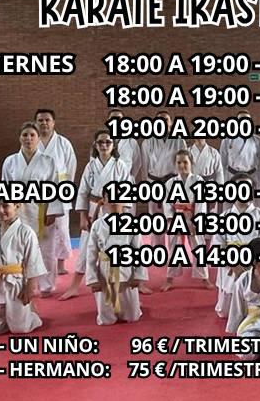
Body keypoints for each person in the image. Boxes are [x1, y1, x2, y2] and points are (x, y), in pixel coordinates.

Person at [60, 130, 131, 300]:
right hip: (94, 208)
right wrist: (83, 216)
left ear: (113, 145)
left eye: (108, 142)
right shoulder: (91, 166)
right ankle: (75, 285)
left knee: (119, 245)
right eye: (100, 142)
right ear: (95, 145)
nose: (104, 145)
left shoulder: (120, 165)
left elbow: (126, 191)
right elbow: (83, 192)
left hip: (114, 208)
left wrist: (123, 214)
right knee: (86, 246)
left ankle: (129, 286)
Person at [2, 122, 65, 297]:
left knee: (46, 249)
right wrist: (6, 211)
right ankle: (21, 282)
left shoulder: (48, 161)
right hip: (18, 210)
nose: (28, 138)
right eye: (25, 135)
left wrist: (52, 211)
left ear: (38, 139)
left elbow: (55, 187)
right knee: (20, 248)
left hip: (41, 209)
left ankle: (46, 285)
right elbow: (5, 187)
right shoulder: (10, 161)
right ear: (19, 138)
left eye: (32, 135)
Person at [0, 201, 45, 335]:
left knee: (20, 328)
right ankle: (5, 318)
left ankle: (32, 314)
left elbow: (33, 261)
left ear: (17, 206)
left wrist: (29, 287)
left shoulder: (26, 232)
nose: (0, 210)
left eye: (5, 206)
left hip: (16, 282)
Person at [212, 173, 260, 317]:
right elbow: (218, 245)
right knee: (225, 313)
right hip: (230, 265)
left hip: (254, 265)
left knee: (254, 311)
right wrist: (234, 265)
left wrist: (249, 265)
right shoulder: (224, 216)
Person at [84, 191, 148, 326]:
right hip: (104, 272)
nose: (114, 201)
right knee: (106, 319)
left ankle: (132, 307)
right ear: (104, 201)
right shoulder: (98, 225)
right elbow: (91, 253)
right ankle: (108, 312)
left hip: (126, 270)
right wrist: (93, 279)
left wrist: (139, 275)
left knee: (132, 316)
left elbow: (139, 250)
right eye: (110, 198)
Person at [34, 109, 77, 277]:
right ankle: (38, 264)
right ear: (36, 123)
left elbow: (71, 167)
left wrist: (66, 189)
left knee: (62, 229)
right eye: (40, 120)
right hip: (37, 192)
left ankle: (61, 263)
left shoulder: (63, 143)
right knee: (38, 229)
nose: (44, 123)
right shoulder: (32, 141)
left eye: (47, 120)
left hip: (60, 190)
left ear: (53, 122)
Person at [161, 149, 210, 292]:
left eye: (185, 162)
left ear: (191, 163)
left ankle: (204, 278)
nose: (182, 165)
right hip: (177, 217)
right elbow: (166, 203)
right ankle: (169, 279)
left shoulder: (198, 181)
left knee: (198, 247)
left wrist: (197, 221)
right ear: (175, 164)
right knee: (174, 248)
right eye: (179, 162)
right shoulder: (170, 183)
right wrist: (170, 220)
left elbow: (201, 202)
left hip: (193, 216)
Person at [140, 110, 187, 249]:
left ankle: (174, 250)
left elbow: (184, 164)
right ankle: (157, 249)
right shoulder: (148, 142)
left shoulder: (179, 141)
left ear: (171, 123)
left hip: (173, 183)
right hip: (154, 182)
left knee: (173, 216)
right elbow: (144, 167)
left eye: (166, 119)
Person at [220, 110, 260, 211]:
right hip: (232, 176)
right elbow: (222, 163)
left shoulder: (257, 140)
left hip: (251, 177)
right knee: (229, 207)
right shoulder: (227, 140)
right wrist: (224, 182)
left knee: (254, 207)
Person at [189, 137, 225, 216]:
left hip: (209, 186)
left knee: (210, 212)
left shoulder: (214, 153)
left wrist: (219, 191)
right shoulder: (188, 151)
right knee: (192, 212)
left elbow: (219, 173)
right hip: (192, 185)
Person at [106, 108, 144, 185]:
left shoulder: (132, 142)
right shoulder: (99, 143)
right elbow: (94, 164)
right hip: (106, 182)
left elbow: (137, 163)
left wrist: (130, 177)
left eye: (119, 118)